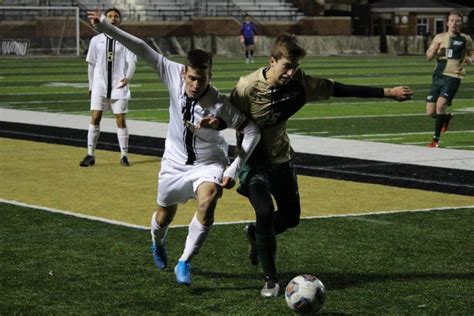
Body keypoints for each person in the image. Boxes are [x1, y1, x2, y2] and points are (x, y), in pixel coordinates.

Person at [229, 34, 413, 298]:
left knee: (291, 218)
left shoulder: (301, 84)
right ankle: (271, 280)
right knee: (265, 211)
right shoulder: (246, 87)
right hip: (253, 165)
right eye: (286, 67)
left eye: (295, 68)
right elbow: (226, 117)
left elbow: (339, 88)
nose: (291, 73)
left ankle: (256, 234)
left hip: (282, 160)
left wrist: (388, 93)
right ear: (272, 61)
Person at [87, 10, 261, 286]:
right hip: (173, 163)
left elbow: (252, 129)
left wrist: (234, 166)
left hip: (208, 163)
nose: (195, 84)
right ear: (184, 72)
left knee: (210, 197)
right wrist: (107, 27)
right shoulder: (171, 73)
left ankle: (185, 261)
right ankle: (157, 241)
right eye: (191, 78)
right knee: (164, 216)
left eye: (201, 79)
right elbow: (142, 47)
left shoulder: (218, 102)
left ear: (210, 74)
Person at [80, 7, 137, 167]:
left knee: (120, 119)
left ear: (119, 20)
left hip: (119, 85)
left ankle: (124, 155)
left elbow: (131, 61)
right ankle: (90, 154)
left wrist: (128, 77)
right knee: (95, 117)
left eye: (116, 16)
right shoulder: (95, 40)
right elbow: (91, 64)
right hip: (100, 84)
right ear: (106, 19)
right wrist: (91, 85)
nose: (113, 18)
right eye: (110, 16)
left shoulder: (126, 40)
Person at [425, 11, 472, 148]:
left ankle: (435, 140)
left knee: (440, 105)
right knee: (430, 112)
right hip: (438, 76)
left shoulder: (465, 38)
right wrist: (434, 52)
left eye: (457, 21)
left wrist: (470, 59)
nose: (454, 23)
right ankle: (445, 118)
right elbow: (428, 57)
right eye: (452, 20)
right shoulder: (439, 37)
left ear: (460, 23)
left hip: (453, 76)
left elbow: (472, 53)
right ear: (447, 23)